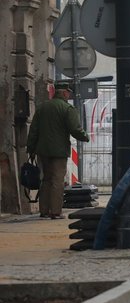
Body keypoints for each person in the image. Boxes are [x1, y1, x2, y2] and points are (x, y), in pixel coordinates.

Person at [26, 81, 89, 219]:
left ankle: (44, 211)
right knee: (57, 180)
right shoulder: (67, 109)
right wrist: (85, 137)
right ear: (65, 92)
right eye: (69, 93)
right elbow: (75, 129)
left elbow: (33, 130)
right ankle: (55, 211)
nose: (69, 96)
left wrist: (30, 148)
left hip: (42, 151)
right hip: (59, 152)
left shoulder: (42, 108)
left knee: (46, 179)